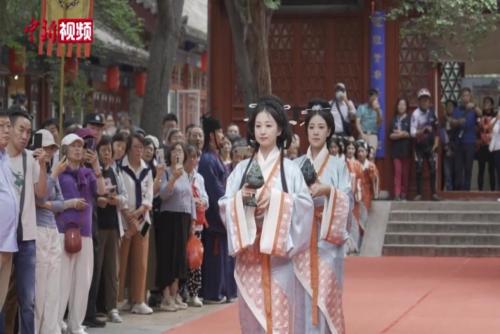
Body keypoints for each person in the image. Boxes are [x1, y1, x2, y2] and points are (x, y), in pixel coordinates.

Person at [219, 96, 314, 333]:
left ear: (280, 129)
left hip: (278, 261)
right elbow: (225, 204)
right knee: (251, 322)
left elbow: (305, 205)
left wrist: (277, 202)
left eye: (269, 125)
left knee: (279, 322)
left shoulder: (290, 171)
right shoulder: (240, 170)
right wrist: (242, 200)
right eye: (258, 125)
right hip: (249, 259)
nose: (263, 131)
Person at [293, 99, 351, 334]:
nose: (315, 132)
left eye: (320, 127)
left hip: (328, 239)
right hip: (304, 237)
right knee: (304, 293)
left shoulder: (339, 165)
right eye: (311, 127)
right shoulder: (296, 164)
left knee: (326, 293)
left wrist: (328, 191)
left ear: (328, 131)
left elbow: (348, 199)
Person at [3, 109, 48, 334]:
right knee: (2, 299)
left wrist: (43, 166)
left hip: (27, 238)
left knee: (28, 301)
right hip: (3, 239)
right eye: (21, 129)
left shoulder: (30, 159)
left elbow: (41, 194)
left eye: (28, 132)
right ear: (8, 128)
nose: (25, 136)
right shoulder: (1, 160)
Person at [57, 133, 106, 334]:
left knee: (83, 280)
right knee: (62, 280)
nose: (78, 149)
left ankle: (75, 324)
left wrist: (96, 167)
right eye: (74, 146)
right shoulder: (59, 172)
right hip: (62, 231)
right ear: (65, 150)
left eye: (81, 146)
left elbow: (101, 191)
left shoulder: (88, 173)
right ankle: (57, 321)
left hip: (84, 232)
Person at [198, 116, 237, 304]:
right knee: (215, 256)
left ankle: (223, 290)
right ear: (211, 135)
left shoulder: (215, 157)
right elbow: (214, 190)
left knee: (222, 255)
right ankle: (214, 291)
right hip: (215, 216)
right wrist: (228, 203)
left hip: (222, 211)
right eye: (219, 132)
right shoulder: (207, 160)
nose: (222, 135)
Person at [117, 133, 154, 315]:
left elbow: (149, 195)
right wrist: (128, 215)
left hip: (143, 219)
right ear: (128, 149)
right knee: (121, 260)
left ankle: (138, 300)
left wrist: (140, 212)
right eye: (136, 147)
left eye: (141, 147)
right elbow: (119, 193)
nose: (139, 151)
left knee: (141, 262)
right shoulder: (120, 168)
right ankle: (118, 299)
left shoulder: (147, 169)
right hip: (124, 220)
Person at [155, 142, 195, 311]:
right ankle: (165, 296)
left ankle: (175, 292)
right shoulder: (166, 172)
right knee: (167, 256)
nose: (177, 153)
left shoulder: (186, 174)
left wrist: (193, 220)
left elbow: (190, 198)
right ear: (169, 154)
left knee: (179, 258)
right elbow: (163, 195)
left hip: (184, 219)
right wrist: (172, 179)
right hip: (169, 218)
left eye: (180, 150)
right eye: (175, 151)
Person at [94, 136, 129, 323]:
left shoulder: (115, 171)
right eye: (103, 150)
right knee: (97, 268)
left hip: (113, 226)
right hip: (97, 226)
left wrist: (117, 200)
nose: (106, 154)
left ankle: (112, 307)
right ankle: (96, 308)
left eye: (109, 150)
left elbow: (125, 197)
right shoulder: (93, 171)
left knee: (112, 269)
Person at [33, 129, 65, 333]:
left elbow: (60, 203)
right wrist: (52, 174)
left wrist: (46, 204)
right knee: (39, 288)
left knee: (54, 287)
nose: (50, 153)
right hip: (37, 230)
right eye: (46, 148)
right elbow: (40, 198)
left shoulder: (52, 169)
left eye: (52, 148)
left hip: (53, 230)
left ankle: (50, 330)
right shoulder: (34, 167)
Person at [184, 145, 209, 307]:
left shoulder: (199, 178)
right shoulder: (181, 176)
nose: (193, 160)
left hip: (198, 224)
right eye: (190, 157)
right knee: (182, 258)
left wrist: (202, 202)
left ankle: (194, 293)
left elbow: (206, 198)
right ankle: (181, 291)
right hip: (184, 222)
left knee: (196, 258)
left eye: (195, 157)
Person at [0, 110, 17, 318]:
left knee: (1, 297)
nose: (6, 130)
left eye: (7, 126)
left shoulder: (5, 157)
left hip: (8, 240)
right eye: (2, 126)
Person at [410, 88, 440, 201]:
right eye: (422, 100)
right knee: (419, 169)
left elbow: (437, 130)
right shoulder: (415, 114)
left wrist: (436, 144)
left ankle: (434, 193)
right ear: (419, 101)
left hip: (431, 146)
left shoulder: (432, 113)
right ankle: (419, 193)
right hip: (419, 146)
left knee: (433, 168)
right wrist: (422, 130)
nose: (425, 102)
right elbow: (412, 132)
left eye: (427, 100)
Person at [449, 87, 482, 191]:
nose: (465, 98)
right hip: (459, 143)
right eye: (463, 96)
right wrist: (458, 122)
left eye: (467, 95)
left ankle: (467, 191)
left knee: (468, 168)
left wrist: (474, 106)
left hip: (470, 143)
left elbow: (481, 114)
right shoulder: (457, 109)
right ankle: (459, 190)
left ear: (470, 96)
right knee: (458, 168)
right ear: (461, 97)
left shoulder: (473, 109)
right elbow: (451, 123)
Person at [389, 98, 411, 201]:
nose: (401, 106)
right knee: (397, 173)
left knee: (405, 174)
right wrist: (402, 134)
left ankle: (404, 194)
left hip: (406, 150)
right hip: (396, 151)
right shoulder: (393, 119)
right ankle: (397, 194)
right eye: (399, 104)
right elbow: (391, 136)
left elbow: (410, 134)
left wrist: (399, 133)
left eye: (403, 104)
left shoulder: (409, 119)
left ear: (406, 107)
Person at [344, 140, 364, 254]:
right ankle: (346, 246)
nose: (351, 151)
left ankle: (354, 245)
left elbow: (360, 179)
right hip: (344, 195)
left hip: (354, 195)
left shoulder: (357, 164)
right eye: (349, 149)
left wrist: (358, 191)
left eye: (352, 149)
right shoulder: (342, 163)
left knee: (355, 220)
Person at [477, 96, 496, 191]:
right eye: (485, 103)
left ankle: (493, 191)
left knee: (491, 170)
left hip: (491, 146)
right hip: (482, 146)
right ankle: (480, 190)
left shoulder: (495, 116)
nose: (486, 104)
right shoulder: (480, 116)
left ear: (492, 105)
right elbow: (478, 130)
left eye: (488, 103)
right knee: (481, 169)